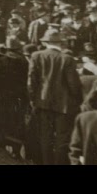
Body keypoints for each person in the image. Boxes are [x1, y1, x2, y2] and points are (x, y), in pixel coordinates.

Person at [28, 30, 83, 165]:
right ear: (60, 43)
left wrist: (32, 100)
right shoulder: (67, 59)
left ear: (46, 42)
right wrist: (77, 100)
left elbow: (31, 82)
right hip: (63, 105)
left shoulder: (36, 56)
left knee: (45, 137)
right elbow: (74, 85)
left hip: (42, 102)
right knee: (61, 138)